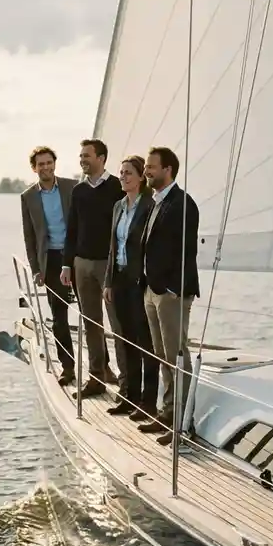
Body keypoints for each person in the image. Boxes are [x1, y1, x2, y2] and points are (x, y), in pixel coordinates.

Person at [135, 146, 200, 446]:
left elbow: (186, 253)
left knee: (176, 354)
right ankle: (167, 411)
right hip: (153, 290)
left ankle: (181, 422)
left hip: (171, 293)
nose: (146, 171)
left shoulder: (182, 204)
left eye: (151, 167)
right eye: (147, 167)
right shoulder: (156, 202)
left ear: (168, 170)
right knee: (162, 354)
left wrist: (173, 288)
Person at [61, 138, 124, 397]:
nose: (82, 160)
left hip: (109, 265)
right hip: (82, 264)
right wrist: (67, 264)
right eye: (81, 156)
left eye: (87, 155)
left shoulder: (117, 187)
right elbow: (72, 229)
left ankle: (127, 380)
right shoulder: (78, 191)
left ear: (102, 158)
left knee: (118, 324)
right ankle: (97, 377)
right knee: (90, 323)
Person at [103, 155, 158, 419]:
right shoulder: (117, 207)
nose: (123, 177)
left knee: (145, 342)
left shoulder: (149, 206)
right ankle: (129, 397)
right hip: (120, 280)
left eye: (128, 173)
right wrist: (108, 282)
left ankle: (148, 402)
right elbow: (113, 248)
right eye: (121, 172)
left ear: (140, 177)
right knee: (125, 341)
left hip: (140, 282)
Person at [20, 146, 78, 385]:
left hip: (76, 256)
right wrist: (36, 269)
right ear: (34, 168)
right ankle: (68, 367)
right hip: (51, 259)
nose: (45, 167)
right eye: (40, 164)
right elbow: (29, 236)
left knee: (91, 314)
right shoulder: (28, 197)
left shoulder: (72, 187)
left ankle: (102, 368)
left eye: (48, 162)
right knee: (59, 317)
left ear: (55, 163)